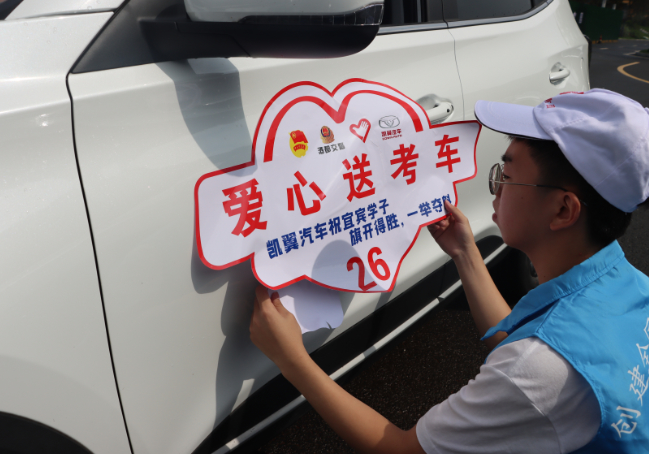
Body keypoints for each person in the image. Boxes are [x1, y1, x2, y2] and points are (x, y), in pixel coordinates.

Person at [250, 89, 649, 453]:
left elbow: (402, 449)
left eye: (508, 177)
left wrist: (292, 360)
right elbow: (516, 345)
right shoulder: (628, 287)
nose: (497, 187)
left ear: (563, 210)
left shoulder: (541, 370)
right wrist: (465, 252)